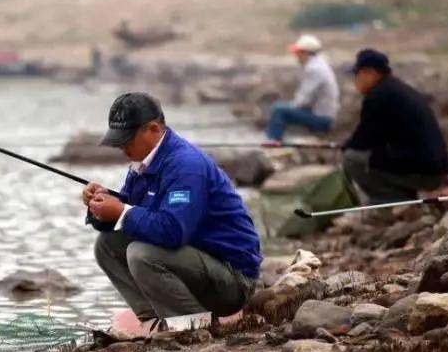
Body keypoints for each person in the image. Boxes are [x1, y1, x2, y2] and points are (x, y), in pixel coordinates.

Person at [83, 92, 262, 335]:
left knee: (141, 253)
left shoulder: (186, 165)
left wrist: (121, 211)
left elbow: (172, 231)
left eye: (127, 139)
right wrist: (102, 206)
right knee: (107, 244)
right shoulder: (143, 163)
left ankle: (196, 326)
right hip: (196, 265)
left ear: (153, 129)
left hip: (233, 279)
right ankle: (154, 323)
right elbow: (135, 211)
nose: (121, 147)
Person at [342, 49, 448, 204]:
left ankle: (390, 201)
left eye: (357, 74)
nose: (355, 80)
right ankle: (404, 199)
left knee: (352, 158)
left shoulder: (378, 96)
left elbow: (362, 142)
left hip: (425, 173)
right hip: (438, 170)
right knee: (374, 157)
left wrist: (347, 145)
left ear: (369, 73)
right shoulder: (397, 89)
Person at [265, 34, 340, 143]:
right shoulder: (320, 64)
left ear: (305, 53)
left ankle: (273, 142)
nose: (296, 56)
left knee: (278, 109)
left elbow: (303, 100)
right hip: (324, 114)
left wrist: (291, 106)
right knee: (283, 108)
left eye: (298, 53)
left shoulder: (313, 69)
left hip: (322, 118)